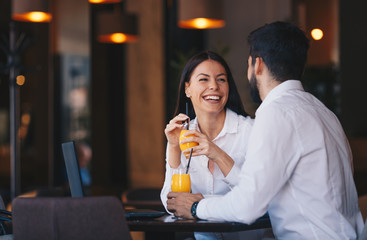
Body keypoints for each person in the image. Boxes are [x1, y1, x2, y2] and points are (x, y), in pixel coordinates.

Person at [166, 22, 364, 239]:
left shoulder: (276, 114)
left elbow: (247, 206)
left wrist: (196, 208)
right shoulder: (325, 113)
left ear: (257, 65)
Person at [161, 51, 266, 239]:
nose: (214, 87)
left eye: (221, 80)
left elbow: (258, 199)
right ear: (187, 89)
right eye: (203, 79)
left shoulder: (251, 131)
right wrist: (174, 148)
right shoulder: (183, 134)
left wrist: (216, 153)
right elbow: (171, 204)